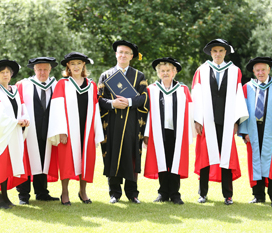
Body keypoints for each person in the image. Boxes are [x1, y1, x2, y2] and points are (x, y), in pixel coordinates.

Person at [192, 39, 248, 205]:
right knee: (204, 158)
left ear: (225, 52)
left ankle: (228, 195)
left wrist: (237, 120)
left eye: (221, 51)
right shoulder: (201, 70)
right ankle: (202, 193)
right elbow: (196, 95)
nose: (217, 54)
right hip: (206, 120)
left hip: (227, 120)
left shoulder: (234, 71)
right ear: (211, 53)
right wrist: (197, 119)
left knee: (226, 157)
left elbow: (238, 95)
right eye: (214, 51)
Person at [47, 52, 104, 206]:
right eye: (73, 64)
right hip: (69, 130)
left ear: (84, 65)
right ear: (68, 66)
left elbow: (95, 108)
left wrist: (96, 131)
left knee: (86, 160)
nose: (76, 66)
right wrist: (61, 131)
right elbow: (57, 109)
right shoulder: (62, 84)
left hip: (86, 129)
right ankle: (64, 192)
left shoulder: (91, 85)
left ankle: (82, 191)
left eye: (79, 63)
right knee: (66, 160)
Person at [98, 40, 148, 204]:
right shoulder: (106, 76)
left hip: (132, 124)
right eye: (120, 52)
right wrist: (112, 104)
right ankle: (114, 192)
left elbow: (144, 98)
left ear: (132, 56)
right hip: (111, 124)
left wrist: (129, 101)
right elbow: (98, 99)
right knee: (112, 154)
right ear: (116, 54)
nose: (123, 55)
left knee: (131, 155)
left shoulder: (139, 76)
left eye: (127, 53)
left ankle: (132, 193)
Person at [238, 57, 272, 207]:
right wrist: (244, 131)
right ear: (253, 71)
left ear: (269, 69)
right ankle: (258, 195)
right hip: (253, 130)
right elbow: (243, 111)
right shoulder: (247, 87)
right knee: (255, 162)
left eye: (263, 69)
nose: (260, 72)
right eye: (257, 70)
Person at [0, 59, 30, 209]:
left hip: (12, 133)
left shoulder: (14, 90)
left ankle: (5, 196)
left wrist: (25, 119)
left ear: (12, 74)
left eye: (8, 72)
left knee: (8, 165)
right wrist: (16, 121)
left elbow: (22, 108)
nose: (6, 75)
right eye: (2, 72)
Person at [143, 57, 192, 205]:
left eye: (168, 70)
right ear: (158, 73)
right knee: (161, 162)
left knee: (175, 161)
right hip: (158, 131)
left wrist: (189, 133)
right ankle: (163, 192)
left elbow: (189, 112)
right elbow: (147, 114)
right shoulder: (151, 90)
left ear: (174, 72)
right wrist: (146, 134)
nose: (165, 73)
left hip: (177, 132)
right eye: (162, 71)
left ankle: (175, 194)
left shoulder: (183, 90)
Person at [15, 57, 59, 204]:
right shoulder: (23, 85)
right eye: (39, 69)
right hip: (28, 131)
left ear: (50, 70)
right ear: (34, 70)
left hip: (47, 130)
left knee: (43, 159)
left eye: (45, 69)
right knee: (26, 161)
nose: (42, 72)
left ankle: (41, 192)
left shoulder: (56, 85)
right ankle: (23, 195)